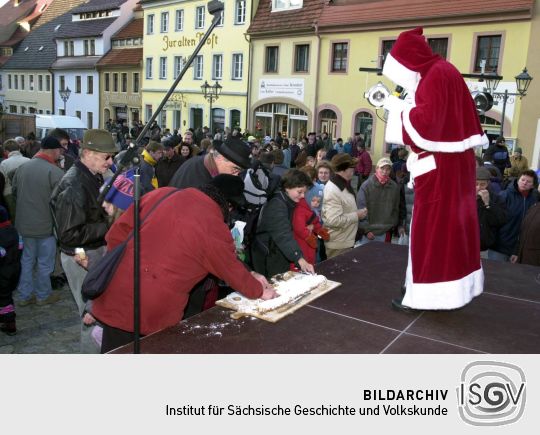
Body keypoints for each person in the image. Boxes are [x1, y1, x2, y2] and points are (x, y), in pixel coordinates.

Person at [91, 175, 277, 352]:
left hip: (117, 290)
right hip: (154, 307)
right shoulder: (212, 224)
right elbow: (230, 269)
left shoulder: (163, 193)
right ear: (228, 206)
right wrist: (259, 290)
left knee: (114, 351)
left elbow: (115, 234)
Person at [382, 27, 487, 311]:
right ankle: (446, 290)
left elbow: (427, 124)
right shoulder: (444, 71)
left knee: (430, 233)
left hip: (440, 170)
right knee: (452, 232)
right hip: (452, 166)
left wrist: (396, 107)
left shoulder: (434, 77)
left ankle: (424, 294)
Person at [50, 129, 117, 352]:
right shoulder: (74, 184)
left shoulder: (90, 175)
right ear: (88, 153)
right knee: (92, 315)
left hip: (89, 252)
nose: (111, 162)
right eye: (106, 156)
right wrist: (108, 224)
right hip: (80, 256)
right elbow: (69, 235)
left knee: (99, 310)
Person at [12, 136, 65, 306]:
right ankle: (43, 295)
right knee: (44, 262)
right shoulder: (55, 171)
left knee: (27, 260)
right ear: (54, 150)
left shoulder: (23, 168)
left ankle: (24, 295)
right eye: (60, 150)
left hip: (24, 224)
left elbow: (14, 193)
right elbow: (62, 202)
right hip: (45, 226)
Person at [252, 169, 316, 278]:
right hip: (268, 254)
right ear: (287, 187)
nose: (303, 196)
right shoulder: (276, 205)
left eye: (304, 192)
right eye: (299, 192)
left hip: (276, 251)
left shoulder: (286, 200)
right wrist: (300, 259)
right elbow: (283, 234)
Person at [322, 154, 368, 258]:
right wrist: (357, 215)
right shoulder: (334, 189)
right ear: (343, 170)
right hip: (338, 244)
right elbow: (333, 220)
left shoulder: (342, 184)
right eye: (351, 167)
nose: (354, 170)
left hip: (344, 240)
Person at [489, 170, 539, 261]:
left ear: (533, 185)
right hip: (499, 247)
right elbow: (494, 219)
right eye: (523, 180)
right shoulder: (505, 195)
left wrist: (517, 250)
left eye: (528, 182)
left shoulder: (534, 200)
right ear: (518, 180)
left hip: (518, 248)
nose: (524, 183)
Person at [169, 136, 251, 188]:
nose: (236, 174)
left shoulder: (202, 163)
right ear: (220, 157)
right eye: (235, 169)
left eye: (239, 171)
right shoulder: (201, 181)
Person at [356, 157, 404, 245]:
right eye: (382, 168)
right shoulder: (366, 186)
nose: (385, 172)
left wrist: (392, 225)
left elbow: (396, 208)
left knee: (383, 258)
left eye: (388, 169)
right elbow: (361, 209)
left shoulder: (394, 187)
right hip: (369, 233)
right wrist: (366, 230)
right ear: (377, 168)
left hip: (386, 231)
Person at [0, 205, 23, 335]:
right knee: (7, 296)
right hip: (14, 270)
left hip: (2, 273)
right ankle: (8, 322)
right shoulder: (14, 231)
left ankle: (9, 324)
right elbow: (20, 248)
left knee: (4, 299)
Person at [475, 167, 508, 253]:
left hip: (483, 247)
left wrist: (488, 203)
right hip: (463, 244)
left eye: (482, 184)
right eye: (476, 184)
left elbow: (501, 220)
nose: (478, 187)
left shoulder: (496, 198)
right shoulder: (462, 196)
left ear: (488, 184)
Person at [0, 139, 30, 219]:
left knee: (14, 217)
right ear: (19, 149)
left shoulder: (4, 163)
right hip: (27, 192)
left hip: (9, 194)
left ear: (6, 151)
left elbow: (2, 181)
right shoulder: (29, 161)